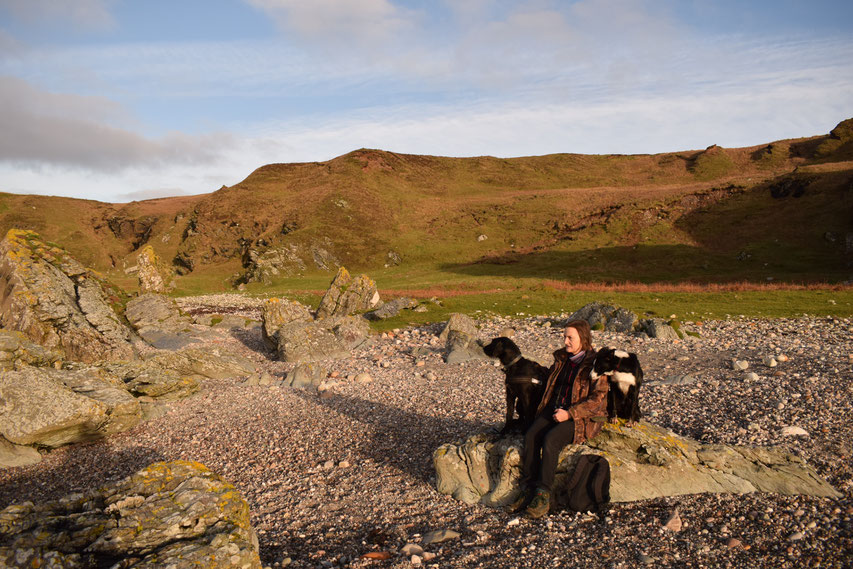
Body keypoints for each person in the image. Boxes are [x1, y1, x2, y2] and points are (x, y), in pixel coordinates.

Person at [506, 319, 609, 518]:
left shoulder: (596, 364)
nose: (566, 341)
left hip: (579, 418)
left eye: (570, 337)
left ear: (583, 338)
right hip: (554, 409)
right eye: (564, 337)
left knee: (551, 440)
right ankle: (527, 489)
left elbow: (598, 400)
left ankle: (543, 495)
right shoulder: (562, 359)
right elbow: (549, 380)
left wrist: (569, 413)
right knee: (530, 436)